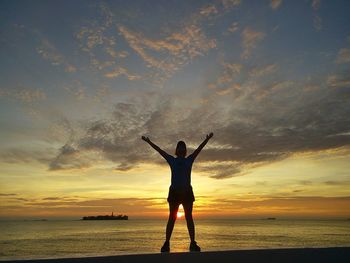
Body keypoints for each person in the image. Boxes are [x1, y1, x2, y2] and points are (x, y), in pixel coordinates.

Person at [141, 132, 214, 253]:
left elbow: (199, 149)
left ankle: (192, 243)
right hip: (174, 192)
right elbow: (160, 151)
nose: (181, 149)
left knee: (189, 217)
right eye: (179, 147)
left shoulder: (189, 160)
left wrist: (207, 140)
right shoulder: (172, 160)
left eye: (183, 147)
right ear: (177, 150)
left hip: (187, 193)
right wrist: (149, 142)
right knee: (172, 218)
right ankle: (166, 243)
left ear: (185, 150)